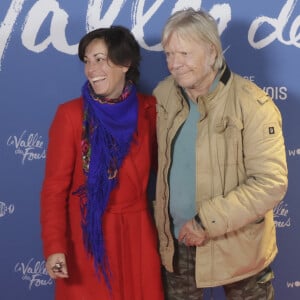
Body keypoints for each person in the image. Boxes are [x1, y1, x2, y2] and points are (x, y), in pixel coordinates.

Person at [153, 8, 288, 300]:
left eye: (184, 54)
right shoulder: (163, 95)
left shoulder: (253, 104)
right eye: (168, 54)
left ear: (211, 51)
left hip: (240, 252)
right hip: (179, 245)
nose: (174, 64)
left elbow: (270, 182)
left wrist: (205, 222)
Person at [40, 25, 164, 300]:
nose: (91, 69)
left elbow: (167, 172)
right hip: (86, 241)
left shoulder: (150, 110)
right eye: (87, 60)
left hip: (136, 237)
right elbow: (54, 190)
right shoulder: (71, 116)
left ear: (125, 63)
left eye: (100, 59)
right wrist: (54, 246)